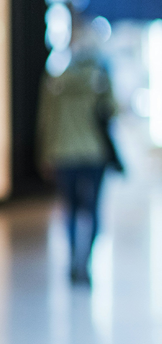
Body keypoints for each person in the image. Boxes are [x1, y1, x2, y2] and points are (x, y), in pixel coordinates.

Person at [37, 18, 118, 286]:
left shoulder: (55, 82)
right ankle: (85, 261)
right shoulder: (98, 78)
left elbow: (45, 121)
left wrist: (44, 154)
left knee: (70, 209)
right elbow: (113, 110)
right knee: (93, 210)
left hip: (63, 153)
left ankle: (73, 257)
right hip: (93, 152)